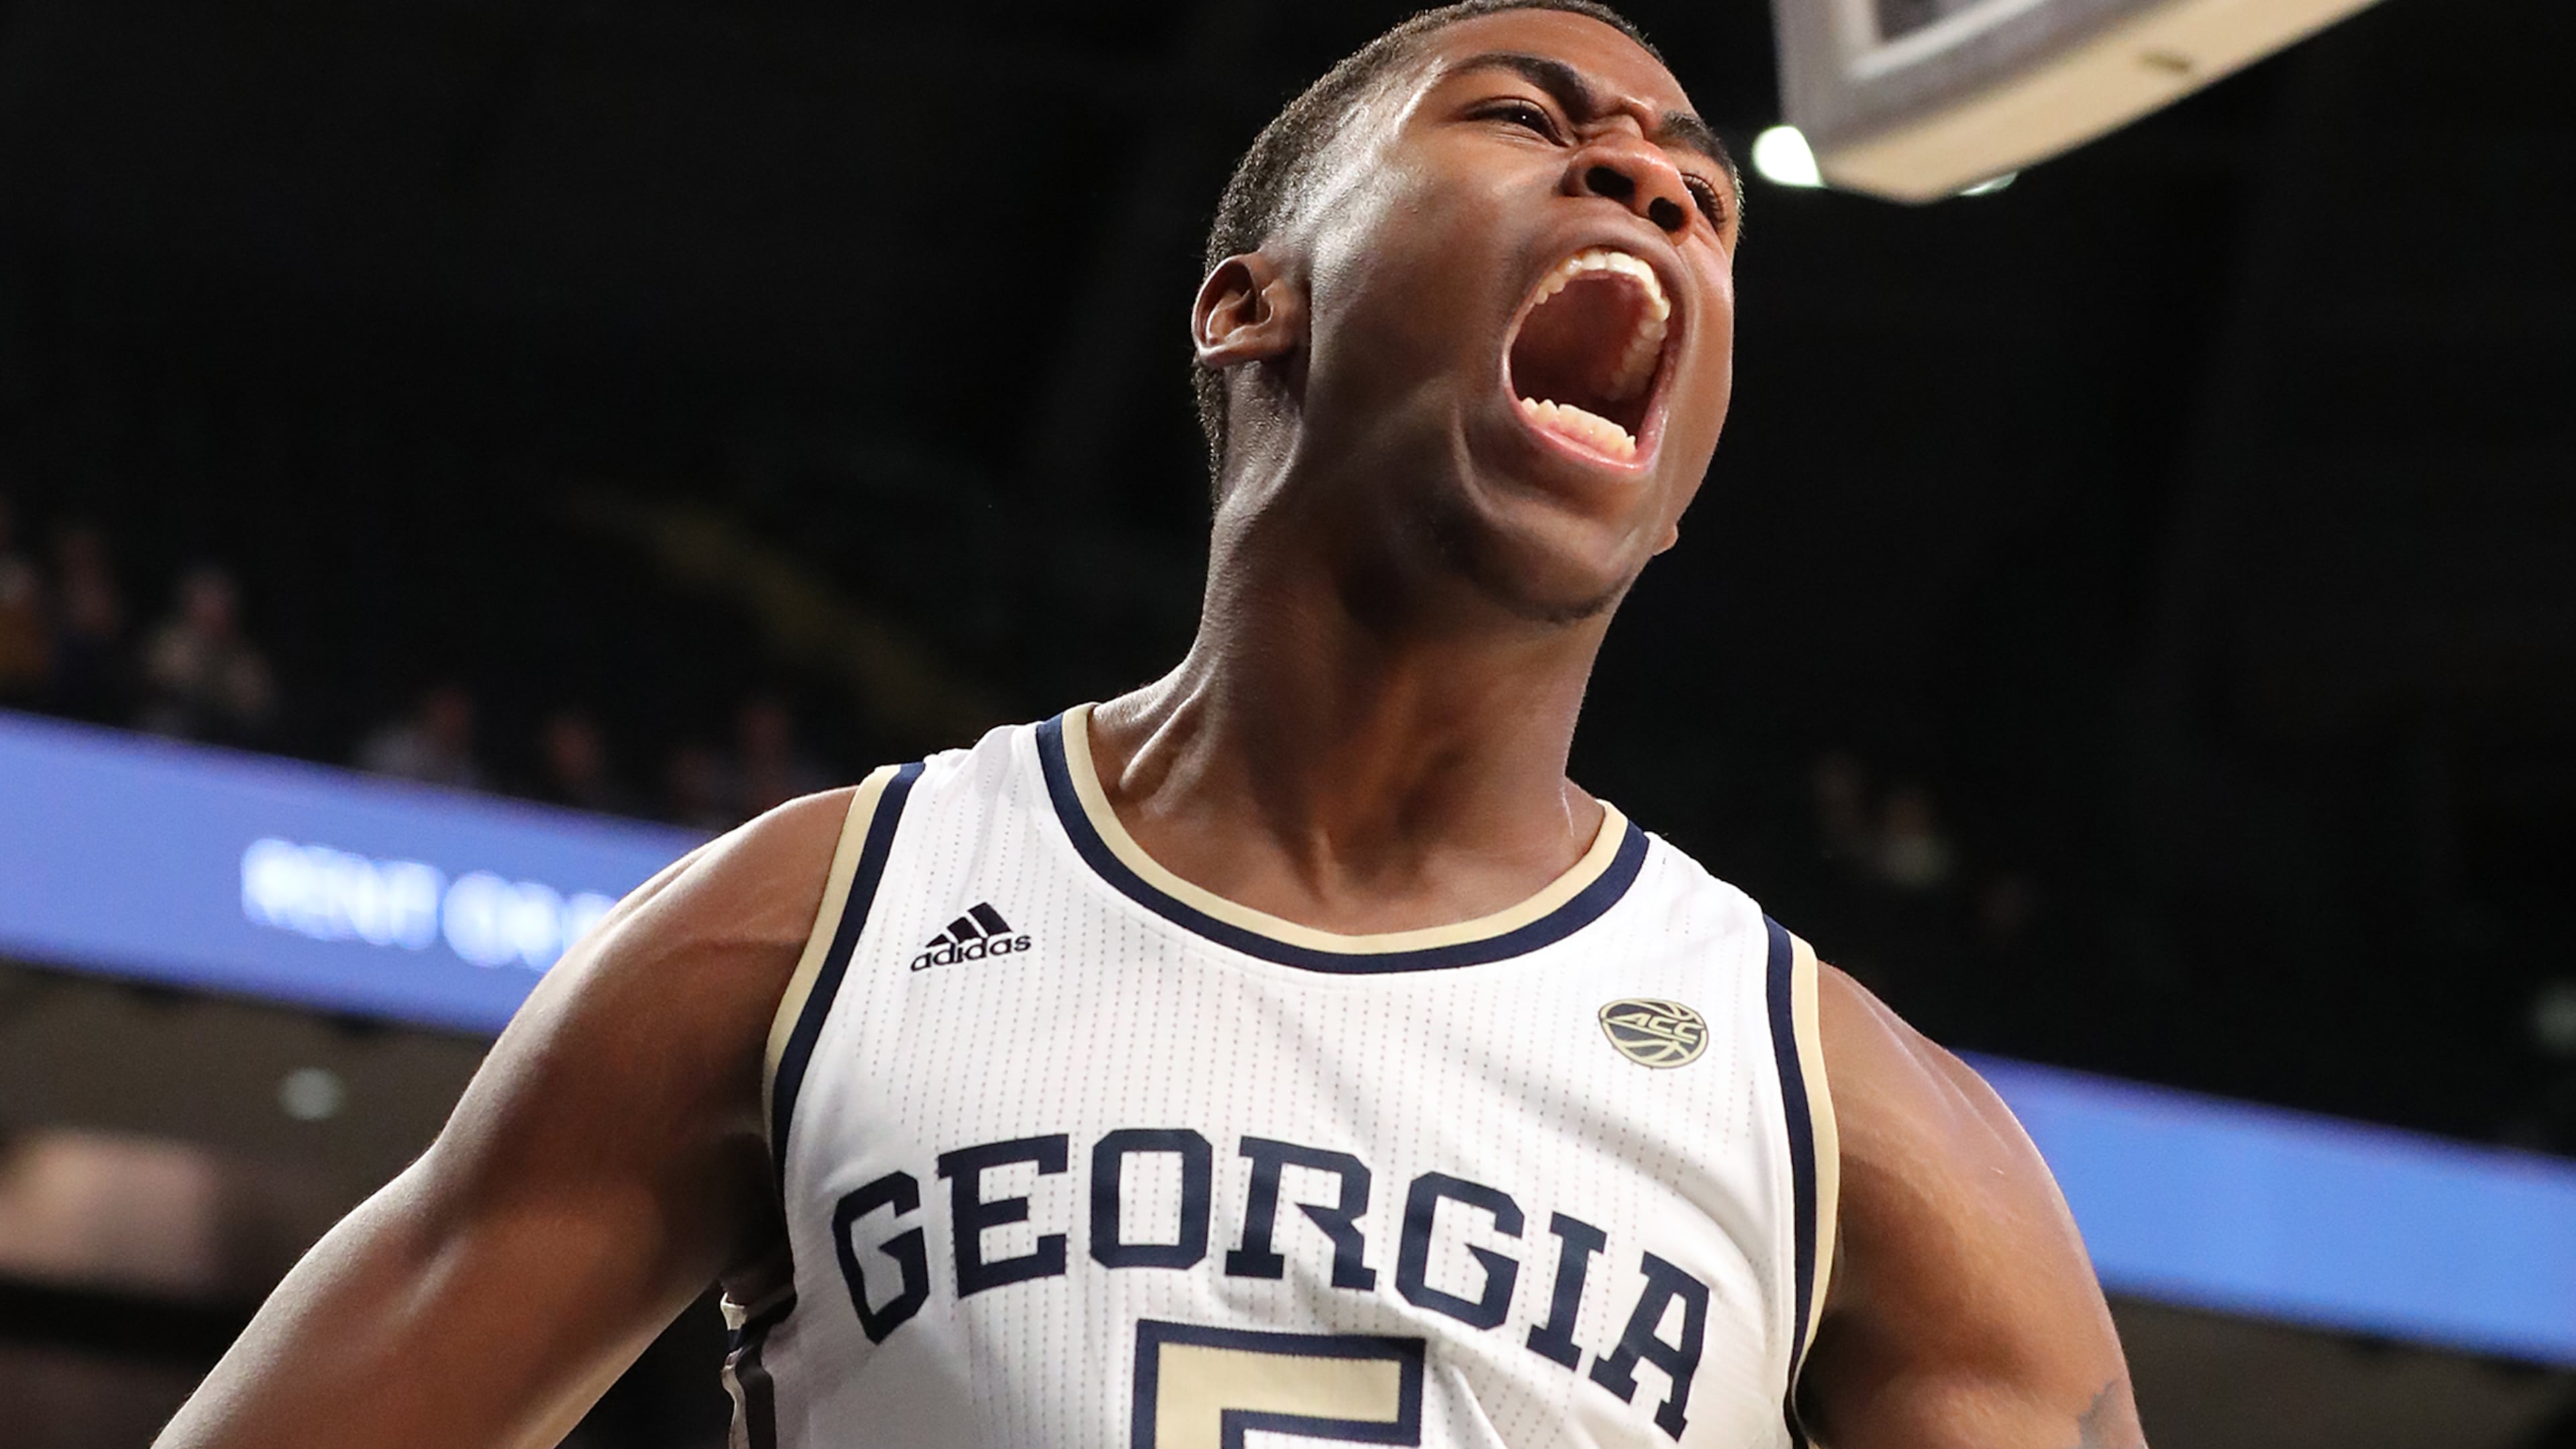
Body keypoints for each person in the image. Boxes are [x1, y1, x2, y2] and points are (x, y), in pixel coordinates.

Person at [156, 5, 2143, 1447]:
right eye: (1523, 119)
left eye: (1699, 195)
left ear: (1676, 479)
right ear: (1245, 306)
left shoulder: (1855, 1123)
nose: (1643, 175)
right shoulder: (802, 933)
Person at [136, 564, 275, 747]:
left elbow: (257, 705)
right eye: (208, 602)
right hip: (172, 735)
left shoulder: (245, 657)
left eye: (221, 604)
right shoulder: (170, 641)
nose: (215, 612)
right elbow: (158, 683)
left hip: (224, 741)